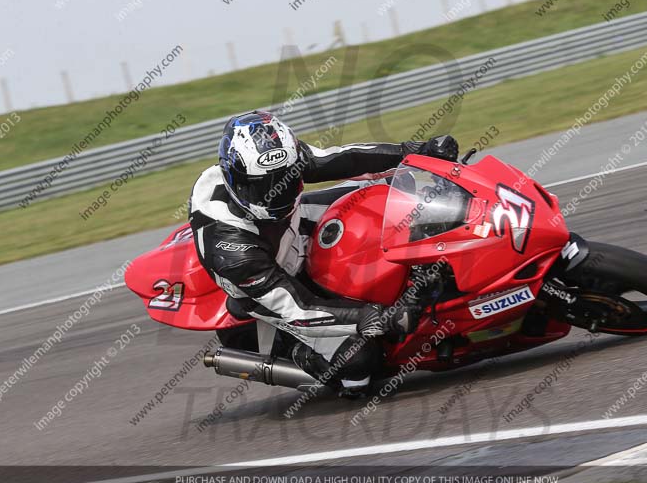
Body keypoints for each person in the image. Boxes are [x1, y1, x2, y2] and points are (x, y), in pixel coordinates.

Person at [189, 111, 458, 397]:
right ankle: (294, 350)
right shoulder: (230, 247)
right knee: (360, 360)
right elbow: (300, 308)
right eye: (261, 188)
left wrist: (415, 152)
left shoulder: (284, 160)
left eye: (284, 181)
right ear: (236, 179)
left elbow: (344, 159)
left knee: (392, 194)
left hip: (293, 224)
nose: (276, 195)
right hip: (270, 287)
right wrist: (376, 315)